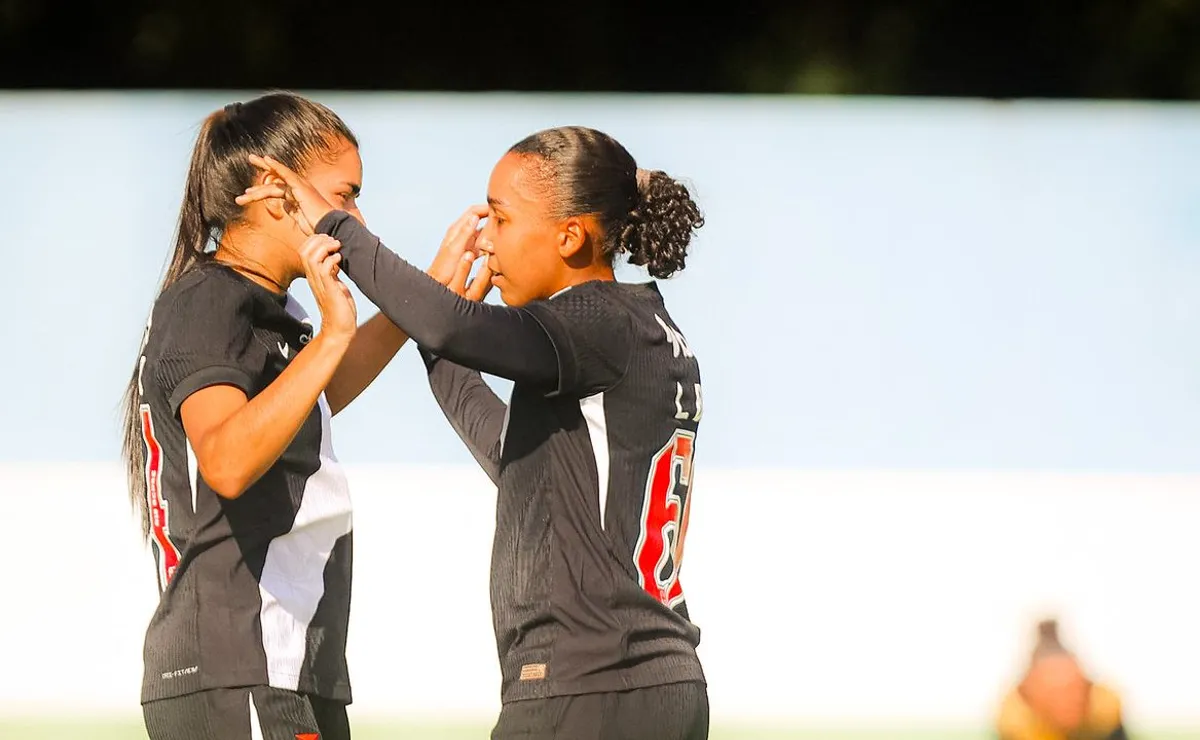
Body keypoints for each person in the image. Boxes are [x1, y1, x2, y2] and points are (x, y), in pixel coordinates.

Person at [237, 126, 709, 739]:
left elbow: (450, 324)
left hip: (591, 683)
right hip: (647, 684)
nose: (485, 239)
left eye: (502, 219)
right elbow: (514, 458)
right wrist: (439, 346)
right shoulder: (636, 329)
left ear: (569, 236)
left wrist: (333, 225)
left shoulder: (595, 321)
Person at [120, 91, 472, 740]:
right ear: (274, 191)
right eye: (345, 196)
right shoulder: (209, 300)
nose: (356, 220)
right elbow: (227, 460)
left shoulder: (272, 308)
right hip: (240, 663)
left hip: (285, 663)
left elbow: (314, 400)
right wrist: (334, 331)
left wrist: (418, 298)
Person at [996, 619, 1129, 740]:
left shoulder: (1105, 719)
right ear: (1030, 695)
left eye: (1076, 688)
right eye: (1055, 693)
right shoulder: (1016, 727)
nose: (1071, 700)